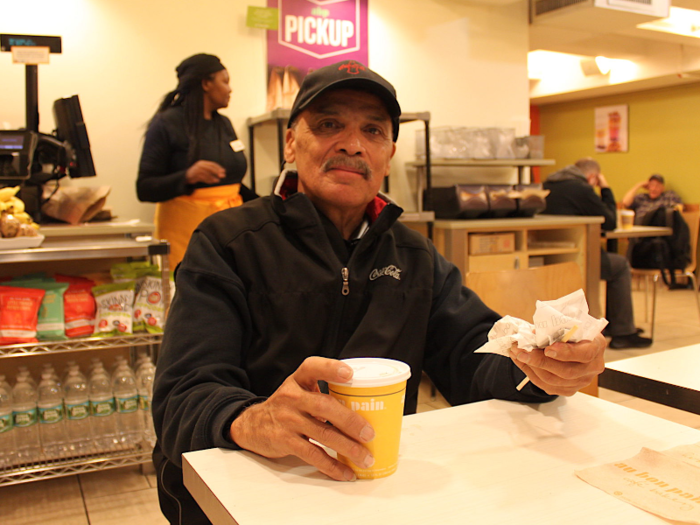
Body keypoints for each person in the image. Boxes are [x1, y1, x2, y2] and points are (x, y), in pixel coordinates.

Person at [151, 60, 607, 524]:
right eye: (329, 124)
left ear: (388, 155)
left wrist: (539, 368)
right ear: (291, 141)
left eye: (373, 130)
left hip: (371, 496)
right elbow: (181, 397)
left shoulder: (415, 257)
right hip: (251, 495)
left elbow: (474, 355)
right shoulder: (228, 243)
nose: (352, 144)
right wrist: (251, 419)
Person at [136, 53, 256, 267]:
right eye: (225, 81)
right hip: (186, 234)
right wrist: (187, 176)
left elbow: (231, 184)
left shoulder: (224, 124)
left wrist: (267, 204)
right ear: (206, 83)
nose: (230, 89)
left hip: (230, 229)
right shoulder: (166, 123)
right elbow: (144, 188)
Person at [542, 158, 652, 350]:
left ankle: (612, 325)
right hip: (579, 256)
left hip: (550, 254)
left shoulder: (548, 184)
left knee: (613, 262)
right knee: (620, 265)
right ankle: (623, 332)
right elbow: (610, 222)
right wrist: (606, 188)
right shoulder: (581, 189)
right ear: (593, 177)